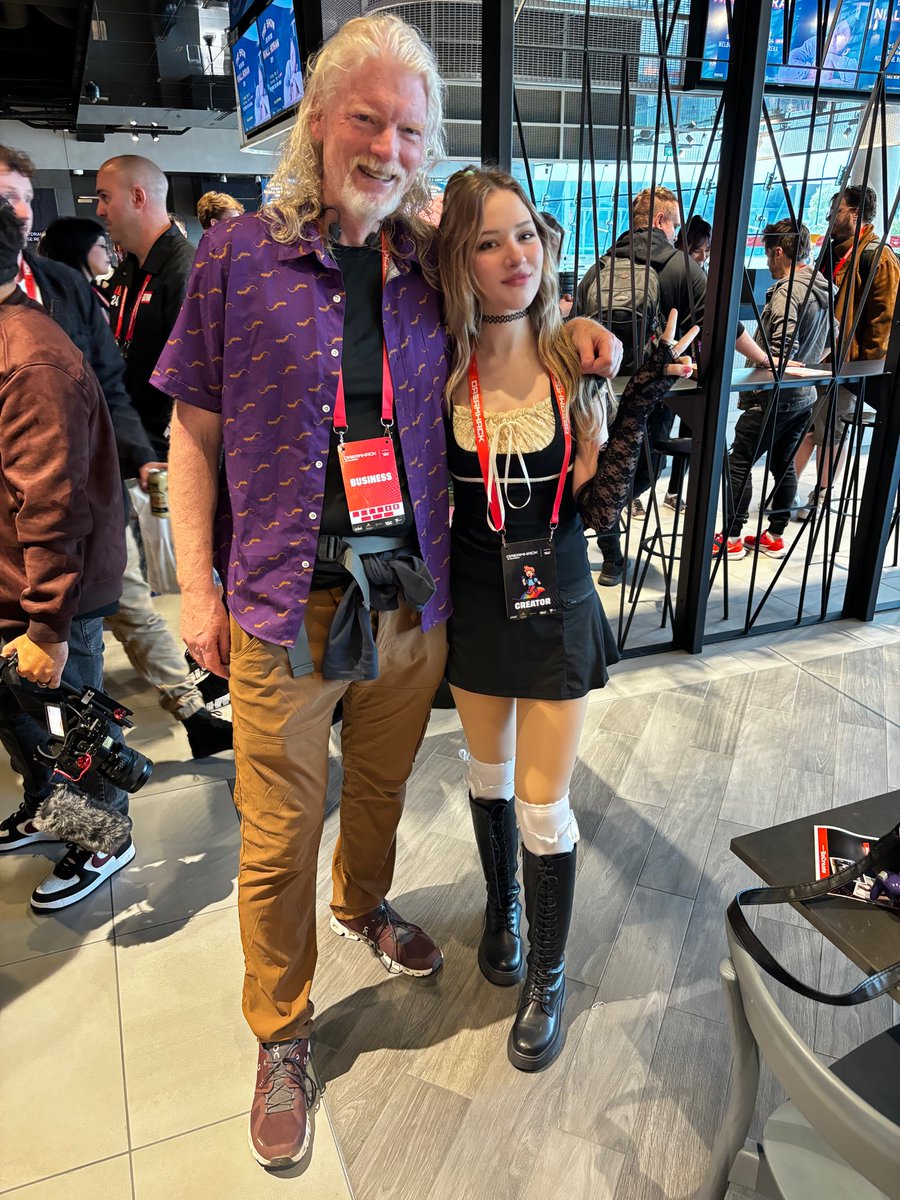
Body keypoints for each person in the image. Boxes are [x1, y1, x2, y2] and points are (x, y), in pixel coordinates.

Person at [154, 12, 620, 1169]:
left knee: (382, 787)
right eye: (366, 119)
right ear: (318, 120)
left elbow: (520, 306)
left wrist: (583, 329)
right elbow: (192, 435)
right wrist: (194, 593)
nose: (387, 146)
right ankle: (282, 1029)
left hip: (412, 598)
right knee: (276, 836)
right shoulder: (236, 256)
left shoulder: (427, 264)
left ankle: (363, 903)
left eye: (410, 130)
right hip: (283, 600)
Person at [437, 166, 696, 1071]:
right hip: (477, 602)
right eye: (487, 242)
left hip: (557, 603)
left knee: (546, 805)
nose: (516, 256)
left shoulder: (570, 362)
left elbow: (598, 506)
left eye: (524, 235)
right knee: (488, 776)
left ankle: (547, 976)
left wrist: (643, 396)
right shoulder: (436, 369)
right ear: (459, 262)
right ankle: (502, 907)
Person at [0, 201, 133, 909]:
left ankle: (101, 837)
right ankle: (48, 810)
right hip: (15, 583)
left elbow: (52, 503)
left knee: (68, 726)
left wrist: (47, 625)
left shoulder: (32, 359)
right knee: (25, 723)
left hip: (50, 594)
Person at [95, 154, 233, 757]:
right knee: (165, 575)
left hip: (172, 453)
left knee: (187, 567)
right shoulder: (131, 272)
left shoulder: (183, 269)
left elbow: (198, 387)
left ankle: (215, 675)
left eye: (105, 196)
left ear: (139, 197)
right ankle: (204, 676)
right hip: (141, 452)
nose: (99, 209)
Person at [575, 186, 759, 585]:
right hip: (652, 396)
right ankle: (602, 523)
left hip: (596, 394)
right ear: (660, 221)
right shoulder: (681, 267)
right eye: (675, 225)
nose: (677, 233)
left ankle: (609, 552)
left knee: (598, 468)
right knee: (642, 471)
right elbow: (724, 325)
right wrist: (766, 361)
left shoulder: (600, 267)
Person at [717, 220, 836, 560]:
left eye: (768, 254)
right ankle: (774, 535)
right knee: (783, 465)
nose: (768, 262)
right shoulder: (823, 287)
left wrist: (783, 362)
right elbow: (833, 339)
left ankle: (732, 536)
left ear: (779, 252)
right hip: (804, 395)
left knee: (738, 463)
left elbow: (781, 347)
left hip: (772, 397)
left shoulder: (787, 290)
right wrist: (805, 365)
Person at [794, 183, 900, 518]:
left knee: (829, 430)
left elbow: (885, 322)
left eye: (836, 210)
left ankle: (821, 495)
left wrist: (863, 371)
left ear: (854, 214)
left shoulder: (878, 257)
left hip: (846, 364)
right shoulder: (833, 252)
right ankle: (787, 491)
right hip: (816, 358)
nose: (829, 217)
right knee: (807, 425)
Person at [39, 216, 112, 312]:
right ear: (80, 248)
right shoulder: (60, 303)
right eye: (103, 246)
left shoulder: (95, 292)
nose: (110, 253)